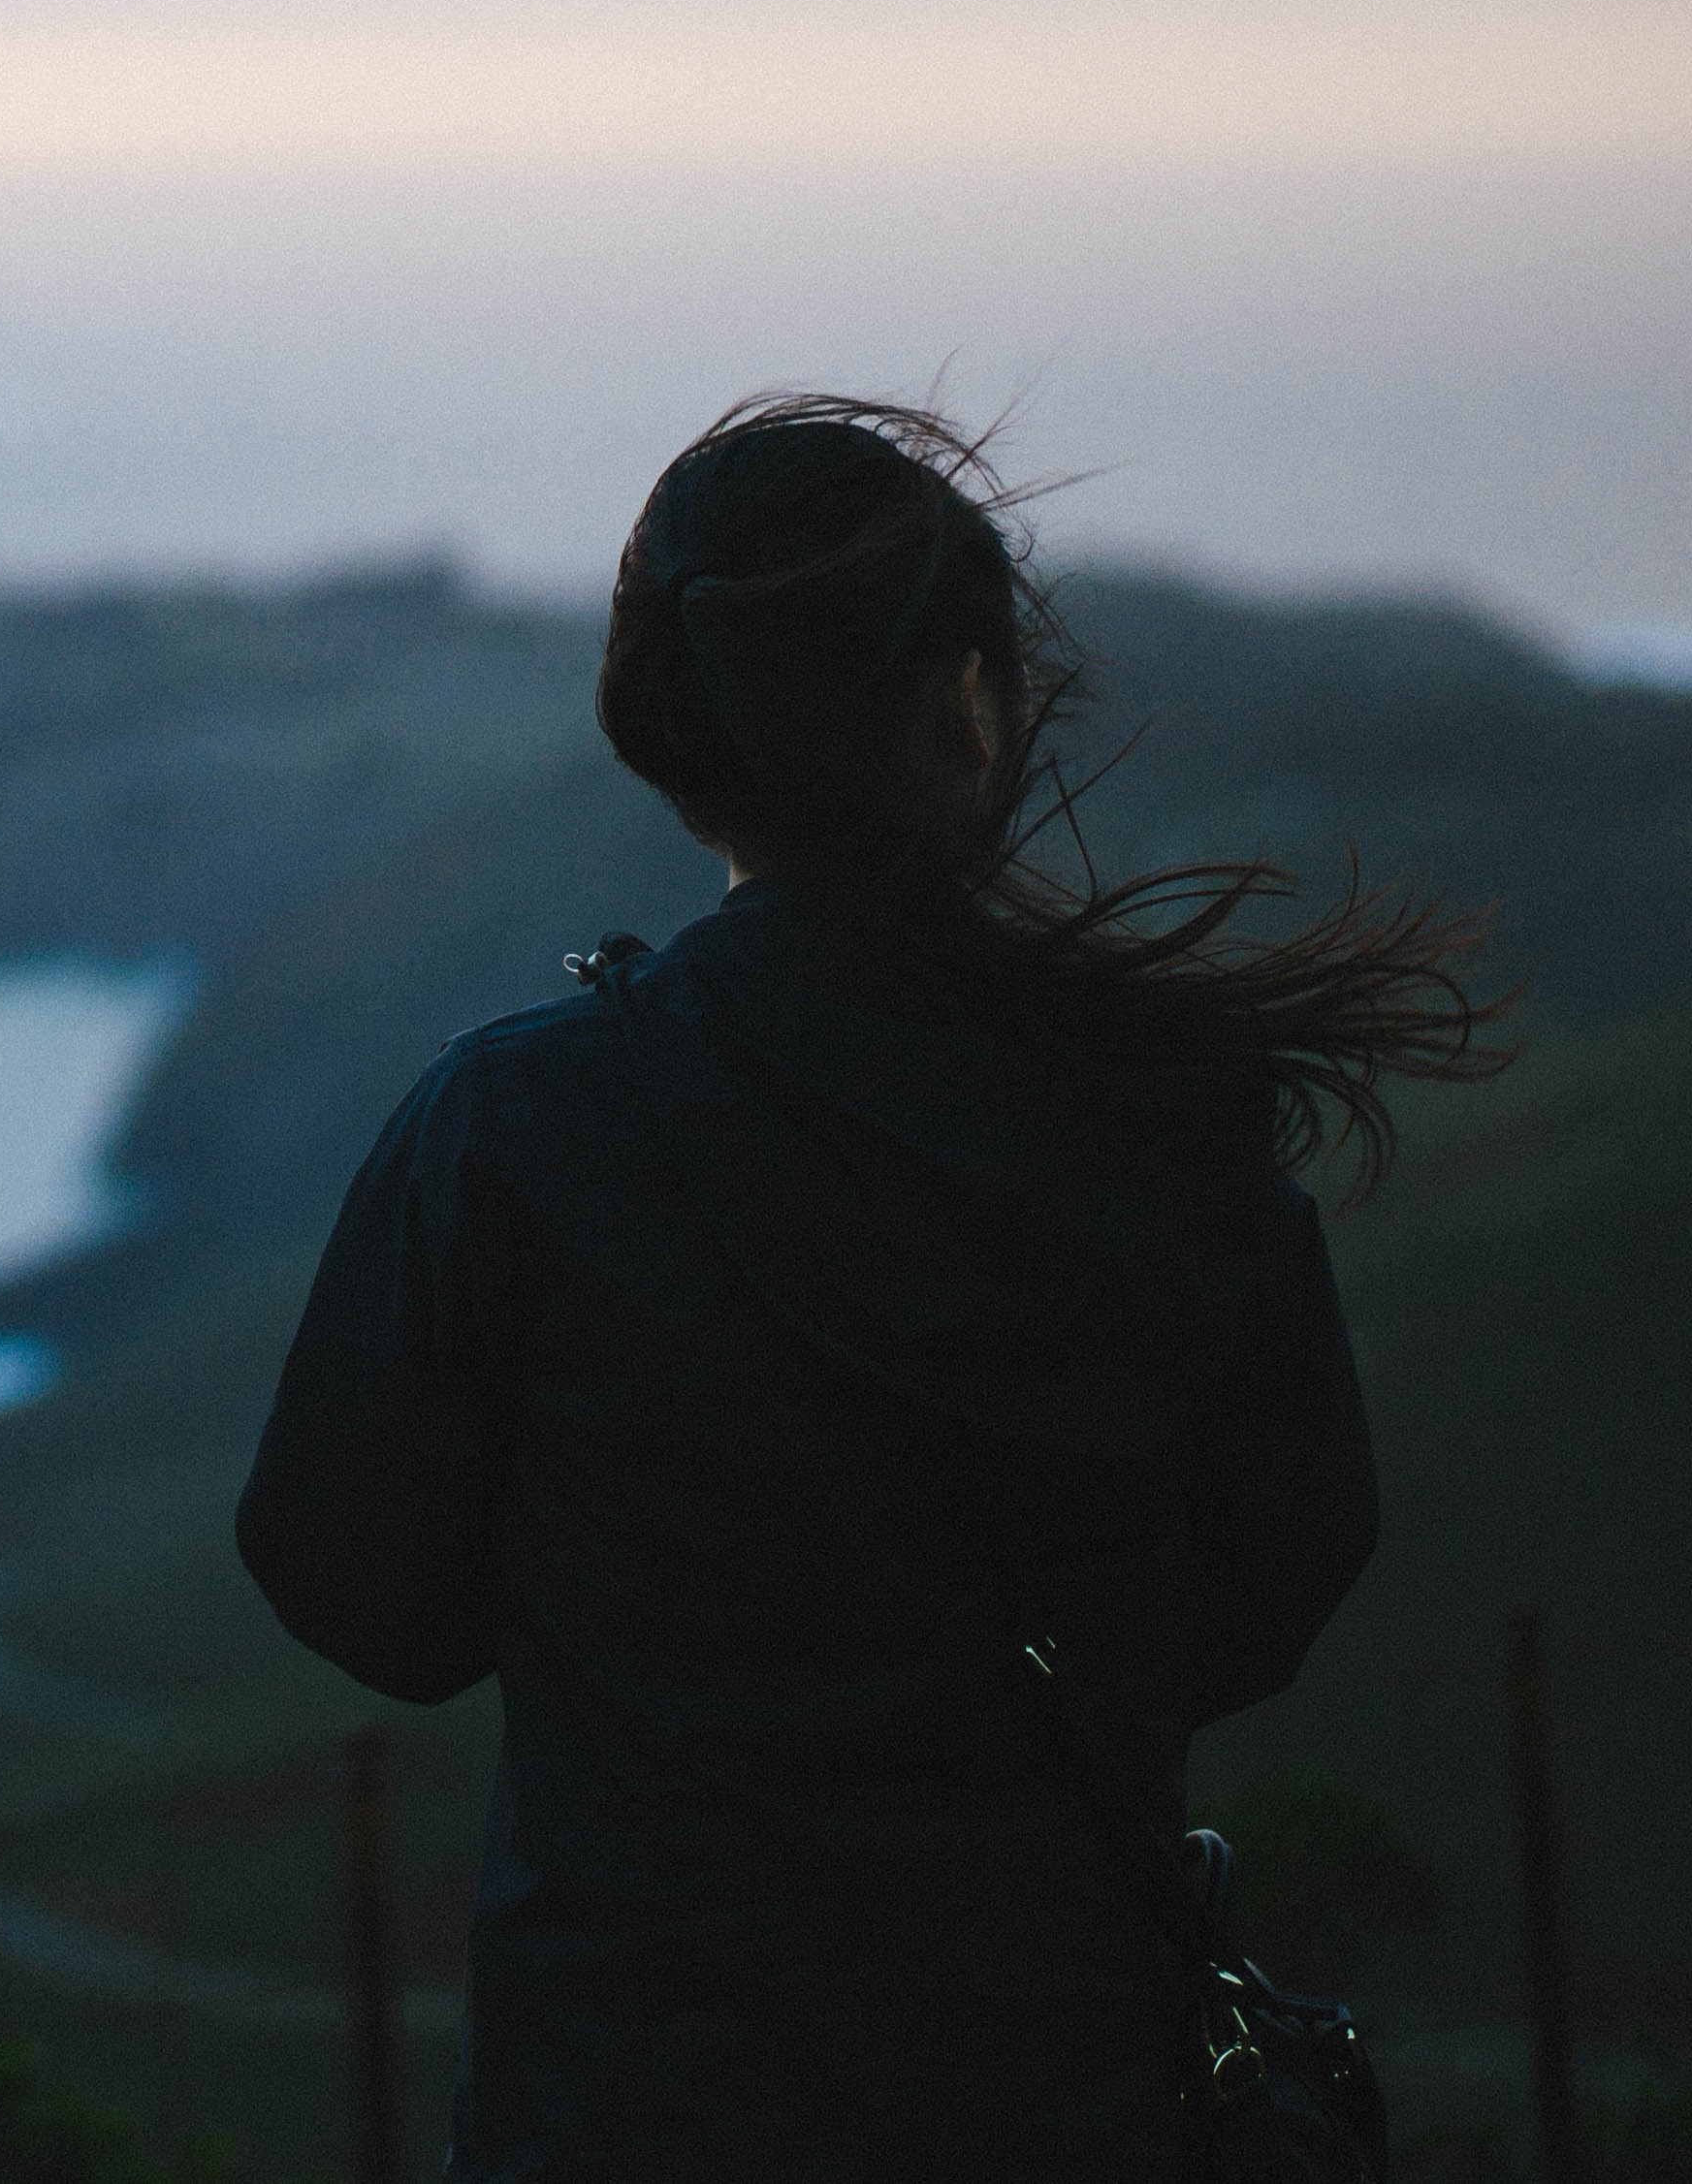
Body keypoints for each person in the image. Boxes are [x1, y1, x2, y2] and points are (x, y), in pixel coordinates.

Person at [236, 398, 1496, 2181]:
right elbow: (1281, 1573)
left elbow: (362, 1591)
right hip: (1071, 2094)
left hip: (640, 2104)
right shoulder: (1177, 1131)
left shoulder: (514, 1133)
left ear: (663, 733)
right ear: (969, 709)